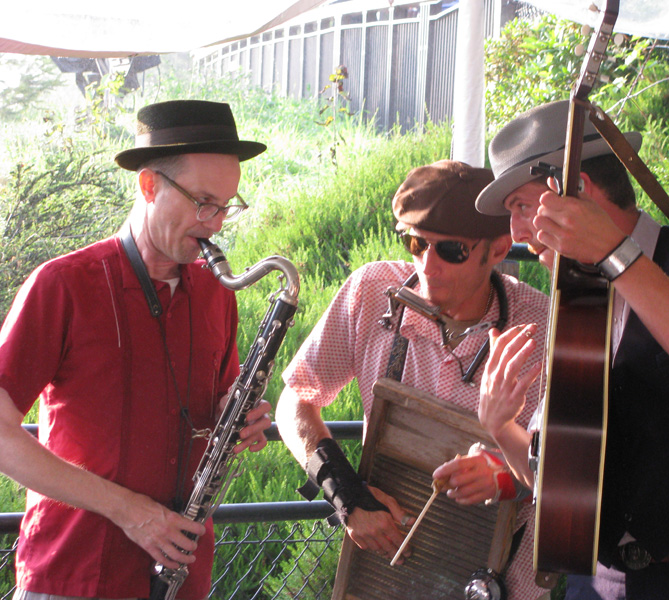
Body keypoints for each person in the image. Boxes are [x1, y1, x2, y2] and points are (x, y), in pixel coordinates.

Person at [473, 99, 669, 599]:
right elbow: (561, 486)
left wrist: (613, 254)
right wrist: (499, 426)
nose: (515, 234)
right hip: (598, 584)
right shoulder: (571, 303)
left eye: (523, 207)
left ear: (578, 192)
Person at [0, 100, 274, 600]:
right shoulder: (63, 285)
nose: (215, 224)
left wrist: (241, 420)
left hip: (180, 577)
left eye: (227, 206)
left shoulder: (217, 292)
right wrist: (130, 511)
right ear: (149, 186)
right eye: (203, 202)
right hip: (73, 575)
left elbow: (216, 409)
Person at [275, 159, 551, 599]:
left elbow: (578, 474)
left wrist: (506, 474)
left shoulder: (543, 327)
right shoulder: (371, 292)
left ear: (497, 250)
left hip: (499, 578)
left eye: (452, 251)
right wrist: (345, 495)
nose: (428, 264)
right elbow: (295, 401)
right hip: (384, 571)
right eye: (415, 243)